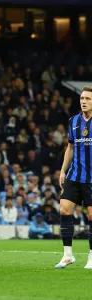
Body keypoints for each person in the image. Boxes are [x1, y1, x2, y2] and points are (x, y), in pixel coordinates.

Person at [56, 86, 92, 269]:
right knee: (64, 209)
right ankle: (68, 255)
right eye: (82, 98)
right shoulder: (74, 121)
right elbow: (70, 148)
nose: (84, 101)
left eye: (88, 98)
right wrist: (63, 170)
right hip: (75, 175)